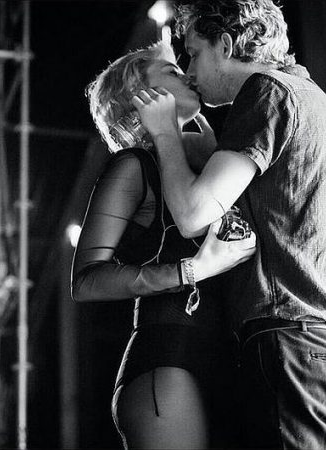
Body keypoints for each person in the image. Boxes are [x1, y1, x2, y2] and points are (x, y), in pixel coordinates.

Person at [131, 1, 326, 448]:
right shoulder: (313, 100)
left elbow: (193, 214)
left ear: (226, 44)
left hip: (292, 342)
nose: (189, 71)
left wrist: (164, 134)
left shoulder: (267, 92)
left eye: (194, 53)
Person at [71, 41, 256, 449]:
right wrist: (192, 270)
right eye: (171, 71)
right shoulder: (132, 166)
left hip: (229, 362)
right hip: (167, 362)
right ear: (140, 94)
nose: (188, 74)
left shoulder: (206, 167)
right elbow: (85, 281)